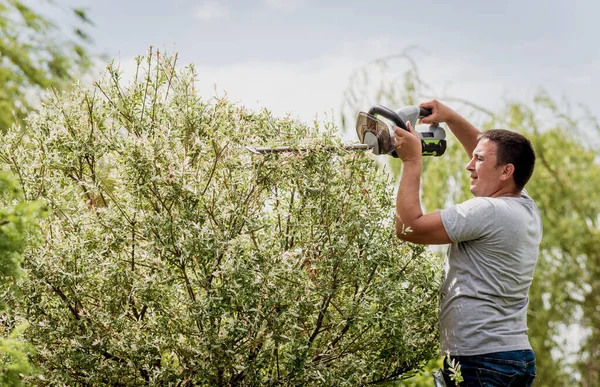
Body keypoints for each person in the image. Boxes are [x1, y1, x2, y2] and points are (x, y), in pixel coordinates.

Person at [393, 99, 541, 387]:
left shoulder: (487, 210)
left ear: (506, 172)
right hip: (511, 356)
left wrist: (412, 161)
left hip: (480, 361)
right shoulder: (524, 205)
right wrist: (450, 117)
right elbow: (492, 150)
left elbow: (410, 228)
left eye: (479, 160)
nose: (468, 165)